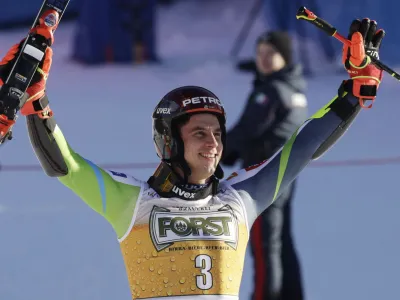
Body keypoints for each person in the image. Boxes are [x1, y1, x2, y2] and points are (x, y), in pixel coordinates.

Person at [0, 18, 385, 300]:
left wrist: (354, 91)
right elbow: (65, 164)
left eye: (217, 133)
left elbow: (301, 147)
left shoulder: (239, 199)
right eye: (199, 132)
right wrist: (37, 99)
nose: (213, 143)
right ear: (169, 141)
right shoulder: (133, 203)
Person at [222, 31, 308, 300]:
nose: (265, 59)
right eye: (260, 53)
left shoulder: (270, 91)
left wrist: (221, 150)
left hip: (263, 178)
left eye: (271, 53)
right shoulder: (295, 89)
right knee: (281, 240)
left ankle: (265, 296)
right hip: (286, 177)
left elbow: (248, 128)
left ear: (285, 57)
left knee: (263, 244)